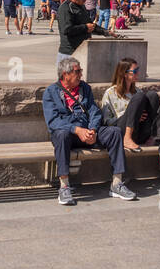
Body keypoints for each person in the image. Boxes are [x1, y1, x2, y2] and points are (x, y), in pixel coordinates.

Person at [44, 56, 136, 205]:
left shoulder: (84, 88)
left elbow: (94, 111)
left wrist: (92, 130)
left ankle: (117, 183)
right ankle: (64, 186)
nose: (81, 74)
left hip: (88, 133)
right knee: (60, 134)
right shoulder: (51, 92)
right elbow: (53, 121)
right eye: (77, 71)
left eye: (80, 70)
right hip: (68, 135)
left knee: (115, 132)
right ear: (65, 74)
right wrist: (77, 130)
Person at [100, 57, 160, 154]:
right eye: (135, 71)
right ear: (124, 73)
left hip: (137, 131)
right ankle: (127, 138)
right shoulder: (110, 93)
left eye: (138, 70)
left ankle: (153, 136)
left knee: (152, 95)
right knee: (139, 97)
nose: (138, 73)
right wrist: (131, 116)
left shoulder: (137, 91)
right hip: (120, 131)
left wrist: (138, 116)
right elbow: (107, 121)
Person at [56, 0, 112, 69]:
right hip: (69, 54)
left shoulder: (81, 6)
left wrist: (106, 32)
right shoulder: (66, 8)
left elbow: (90, 25)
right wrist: (85, 28)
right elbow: (67, 30)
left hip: (82, 52)